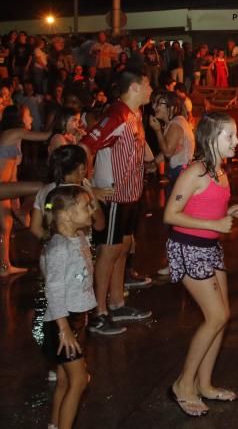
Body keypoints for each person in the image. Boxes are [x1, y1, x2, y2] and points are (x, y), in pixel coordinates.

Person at [162, 112, 238, 416]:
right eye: (229, 136)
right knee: (216, 315)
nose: (236, 141)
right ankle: (184, 384)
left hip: (210, 247)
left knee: (223, 316)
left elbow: (208, 209)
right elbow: (170, 215)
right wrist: (217, 223)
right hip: (188, 248)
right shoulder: (195, 171)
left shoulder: (219, 171)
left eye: (235, 135)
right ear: (211, 138)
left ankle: (205, 384)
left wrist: (226, 214)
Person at [81, 70, 154, 335]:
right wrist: (90, 187)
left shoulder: (135, 115)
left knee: (122, 248)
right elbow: (85, 146)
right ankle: (99, 313)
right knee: (108, 251)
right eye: (147, 84)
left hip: (130, 196)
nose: (151, 89)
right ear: (133, 88)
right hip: (113, 198)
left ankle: (117, 302)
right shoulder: (117, 116)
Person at [39, 185, 99, 429]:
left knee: (65, 380)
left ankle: (55, 424)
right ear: (66, 214)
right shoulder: (58, 248)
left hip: (76, 318)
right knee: (79, 381)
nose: (91, 210)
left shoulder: (80, 237)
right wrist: (64, 329)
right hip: (62, 324)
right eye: (86, 206)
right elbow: (52, 290)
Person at [0, 104, 53, 275]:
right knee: (39, 187)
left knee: (6, 225)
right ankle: (26, 214)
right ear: (19, 118)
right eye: (29, 115)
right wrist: (53, 117)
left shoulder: (15, 138)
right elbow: (46, 135)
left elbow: (12, 173)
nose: (31, 119)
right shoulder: (14, 132)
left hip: (5, 187)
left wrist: (15, 201)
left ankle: (4, 267)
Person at [31, 144, 109, 241]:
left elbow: (35, 227)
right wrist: (91, 194)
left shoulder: (44, 190)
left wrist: (51, 242)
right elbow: (99, 225)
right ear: (81, 168)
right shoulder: (80, 195)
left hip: (53, 250)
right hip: (76, 251)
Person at [149, 90, 195, 198]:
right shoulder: (176, 122)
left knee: (172, 210)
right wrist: (153, 163)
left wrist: (157, 130)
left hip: (180, 174)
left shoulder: (176, 124)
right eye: (154, 103)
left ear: (172, 108)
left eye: (159, 103)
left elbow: (168, 152)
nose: (154, 106)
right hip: (181, 173)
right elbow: (172, 149)